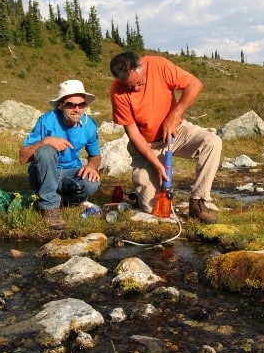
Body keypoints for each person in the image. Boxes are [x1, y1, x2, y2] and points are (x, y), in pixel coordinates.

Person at [109, 51, 222, 224]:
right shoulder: (117, 92)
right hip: (146, 145)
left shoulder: (158, 65)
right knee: (152, 208)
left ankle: (198, 201)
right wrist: (157, 164)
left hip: (176, 132)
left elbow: (195, 84)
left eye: (139, 82)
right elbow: (133, 133)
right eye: (130, 86)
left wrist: (174, 116)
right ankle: (137, 195)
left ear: (141, 66)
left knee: (212, 142)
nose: (136, 89)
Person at [19, 79, 101, 229]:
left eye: (81, 104)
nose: (77, 109)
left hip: (71, 171)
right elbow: (23, 157)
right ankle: (50, 208)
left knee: (92, 183)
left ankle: (68, 200)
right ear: (61, 105)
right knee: (45, 151)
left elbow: (95, 155)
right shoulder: (46, 121)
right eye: (71, 104)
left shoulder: (89, 124)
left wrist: (91, 166)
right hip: (44, 172)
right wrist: (45, 141)